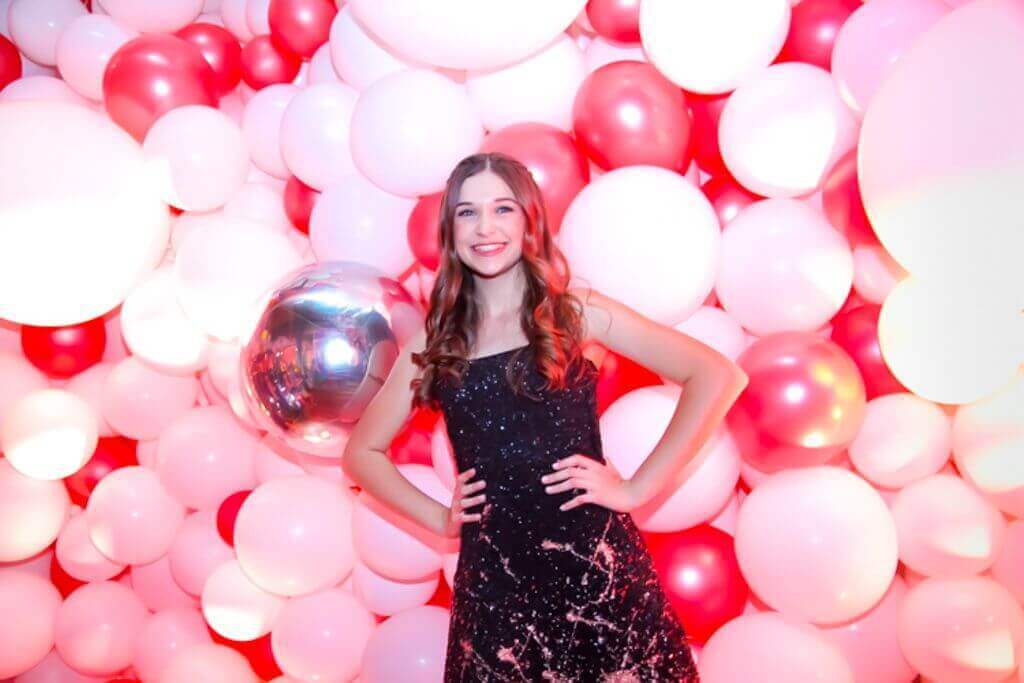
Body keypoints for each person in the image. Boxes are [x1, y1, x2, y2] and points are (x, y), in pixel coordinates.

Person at [342, 152, 748, 681]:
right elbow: (360, 454)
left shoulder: (574, 312)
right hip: (497, 585)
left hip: (596, 572)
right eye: (467, 213)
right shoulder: (438, 339)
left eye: (502, 209)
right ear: (450, 229)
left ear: (529, 220)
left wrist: (636, 489)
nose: (485, 227)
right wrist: (441, 518)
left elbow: (717, 375)